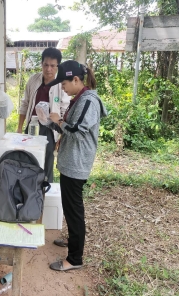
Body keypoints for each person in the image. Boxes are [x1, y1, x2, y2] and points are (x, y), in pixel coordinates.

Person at [46, 60, 108, 271]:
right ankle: (72, 241)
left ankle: (74, 259)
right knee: (70, 206)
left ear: (75, 79)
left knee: (74, 210)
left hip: (77, 163)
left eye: (64, 83)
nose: (62, 88)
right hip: (70, 161)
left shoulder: (88, 100)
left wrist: (58, 121)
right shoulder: (79, 98)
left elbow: (77, 129)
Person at [17, 47, 70, 183]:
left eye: (53, 66)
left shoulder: (61, 85)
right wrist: (19, 128)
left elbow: (65, 111)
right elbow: (25, 104)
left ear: (58, 66)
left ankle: (46, 191)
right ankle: (28, 188)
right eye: (46, 65)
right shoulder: (33, 80)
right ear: (41, 64)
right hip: (32, 125)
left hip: (50, 129)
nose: (48, 69)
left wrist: (61, 136)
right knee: (29, 157)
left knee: (47, 161)